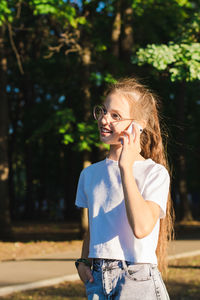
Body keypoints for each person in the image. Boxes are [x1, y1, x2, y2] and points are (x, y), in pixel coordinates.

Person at [75, 77, 174, 300]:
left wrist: (125, 167)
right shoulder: (89, 174)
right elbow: (94, 227)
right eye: (103, 111)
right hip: (98, 282)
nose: (103, 119)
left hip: (137, 280)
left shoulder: (154, 173)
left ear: (139, 126)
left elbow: (141, 227)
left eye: (115, 116)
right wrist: (82, 262)